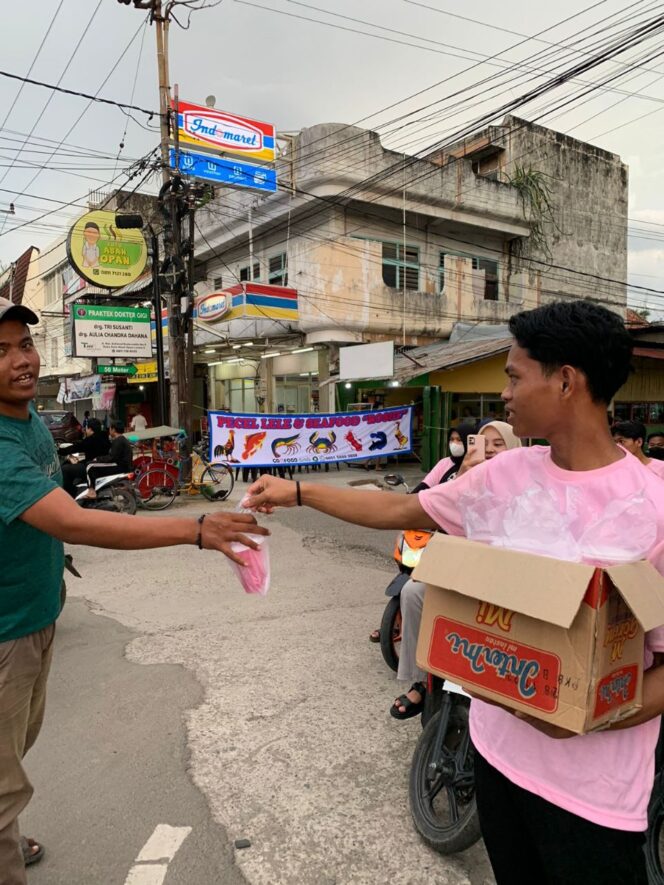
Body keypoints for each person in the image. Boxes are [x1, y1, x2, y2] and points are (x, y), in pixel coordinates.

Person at [246, 300, 664, 885]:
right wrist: (298, 493)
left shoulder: (652, 507)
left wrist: (588, 719)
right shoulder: (502, 477)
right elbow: (399, 507)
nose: (505, 395)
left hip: (593, 797)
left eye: (515, 376)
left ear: (566, 381)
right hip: (495, 758)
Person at [0, 295, 268, 884]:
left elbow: (57, 506)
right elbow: (71, 522)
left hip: (37, 617)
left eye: (24, 344)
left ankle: (7, 828)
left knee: (14, 752)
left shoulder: (27, 425)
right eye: (1, 351)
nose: (21, 359)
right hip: (5, 634)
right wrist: (196, 529)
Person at [391, 420, 521, 720]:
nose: (488, 452)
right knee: (412, 591)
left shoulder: (524, 488)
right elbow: (426, 505)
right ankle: (421, 680)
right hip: (460, 568)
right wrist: (463, 476)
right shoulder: (461, 477)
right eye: (482, 445)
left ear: (515, 449)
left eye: (498, 445)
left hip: (506, 579)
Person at [368, 424, 475, 644]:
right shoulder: (444, 464)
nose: (455, 444)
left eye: (460, 440)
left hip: (459, 537)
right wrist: (408, 503)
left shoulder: (477, 467)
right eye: (452, 438)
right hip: (433, 531)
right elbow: (425, 486)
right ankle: (399, 622)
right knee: (411, 569)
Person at [61, 418, 110, 497]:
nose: (85, 430)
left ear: (90, 429)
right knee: (73, 464)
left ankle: (71, 495)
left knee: (65, 470)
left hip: (92, 468)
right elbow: (85, 448)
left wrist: (60, 451)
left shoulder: (92, 440)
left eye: (86, 428)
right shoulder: (104, 437)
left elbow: (76, 447)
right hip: (99, 465)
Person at [83, 421, 133, 498]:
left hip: (119, 466)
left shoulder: (118, 441)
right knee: (93, 465)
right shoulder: (122, 439)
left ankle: (91, 490)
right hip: (122, 465)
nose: (109, 431)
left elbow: (112, 457)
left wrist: (98, 459)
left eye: (110, 429)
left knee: (89, 465)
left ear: (113, 430)